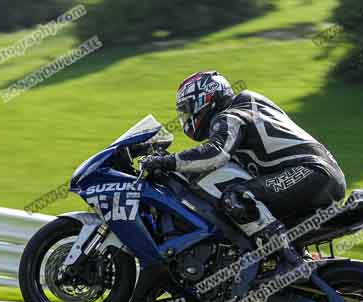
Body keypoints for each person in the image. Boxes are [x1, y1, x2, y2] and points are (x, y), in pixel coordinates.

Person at [141, 71, 347, 262]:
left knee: (238, 197)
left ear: (205, 99)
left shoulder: (230, 116)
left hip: (311, 172)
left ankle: (288, 263)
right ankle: (287, 262)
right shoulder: (247, 106)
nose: (186, 118)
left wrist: (168, 161)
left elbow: (215, 153)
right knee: (250, 201)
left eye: (187, 110)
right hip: (317, 173)